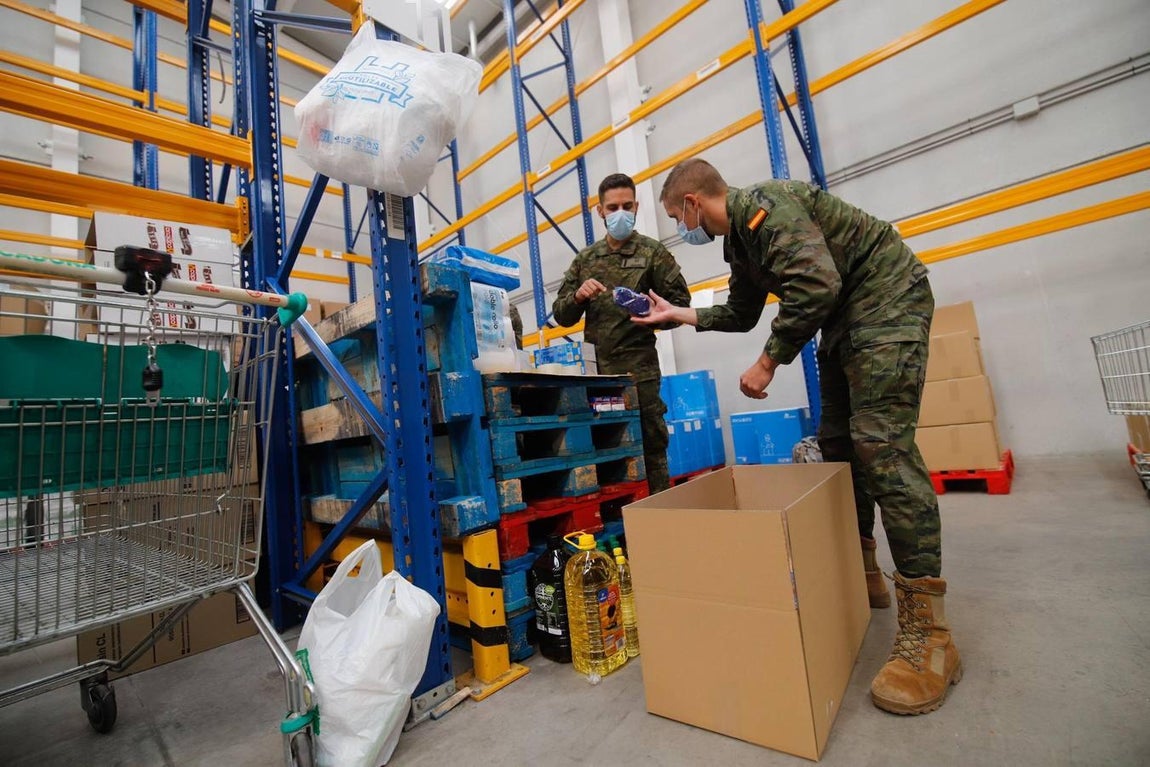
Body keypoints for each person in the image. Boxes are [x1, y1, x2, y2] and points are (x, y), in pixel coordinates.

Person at [635, 158, 961, 716]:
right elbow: (740, 313)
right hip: (845, 318)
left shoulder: (768, 207)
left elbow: (816, 283)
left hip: (886, 301)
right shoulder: (740, 243)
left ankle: (929, 636)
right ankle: (863, 577)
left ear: (692, 202)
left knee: (881, 446)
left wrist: (769, 362)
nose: (682, 228)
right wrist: (677, 315)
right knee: (838, 444)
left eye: (675, 215)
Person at [552, 173, 691, 494]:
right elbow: (561, 315)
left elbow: (681, 307)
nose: (620, 213)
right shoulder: (585, 260)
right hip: (597, 378)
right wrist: (578, 296)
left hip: (639, 375)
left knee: (652, 448)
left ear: (637, 206)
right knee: (604, 449)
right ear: (599, 211)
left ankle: (659, 519)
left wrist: (652, 314)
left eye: (627, 206)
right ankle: (618, 520)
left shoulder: (653, 254)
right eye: (612, 207)